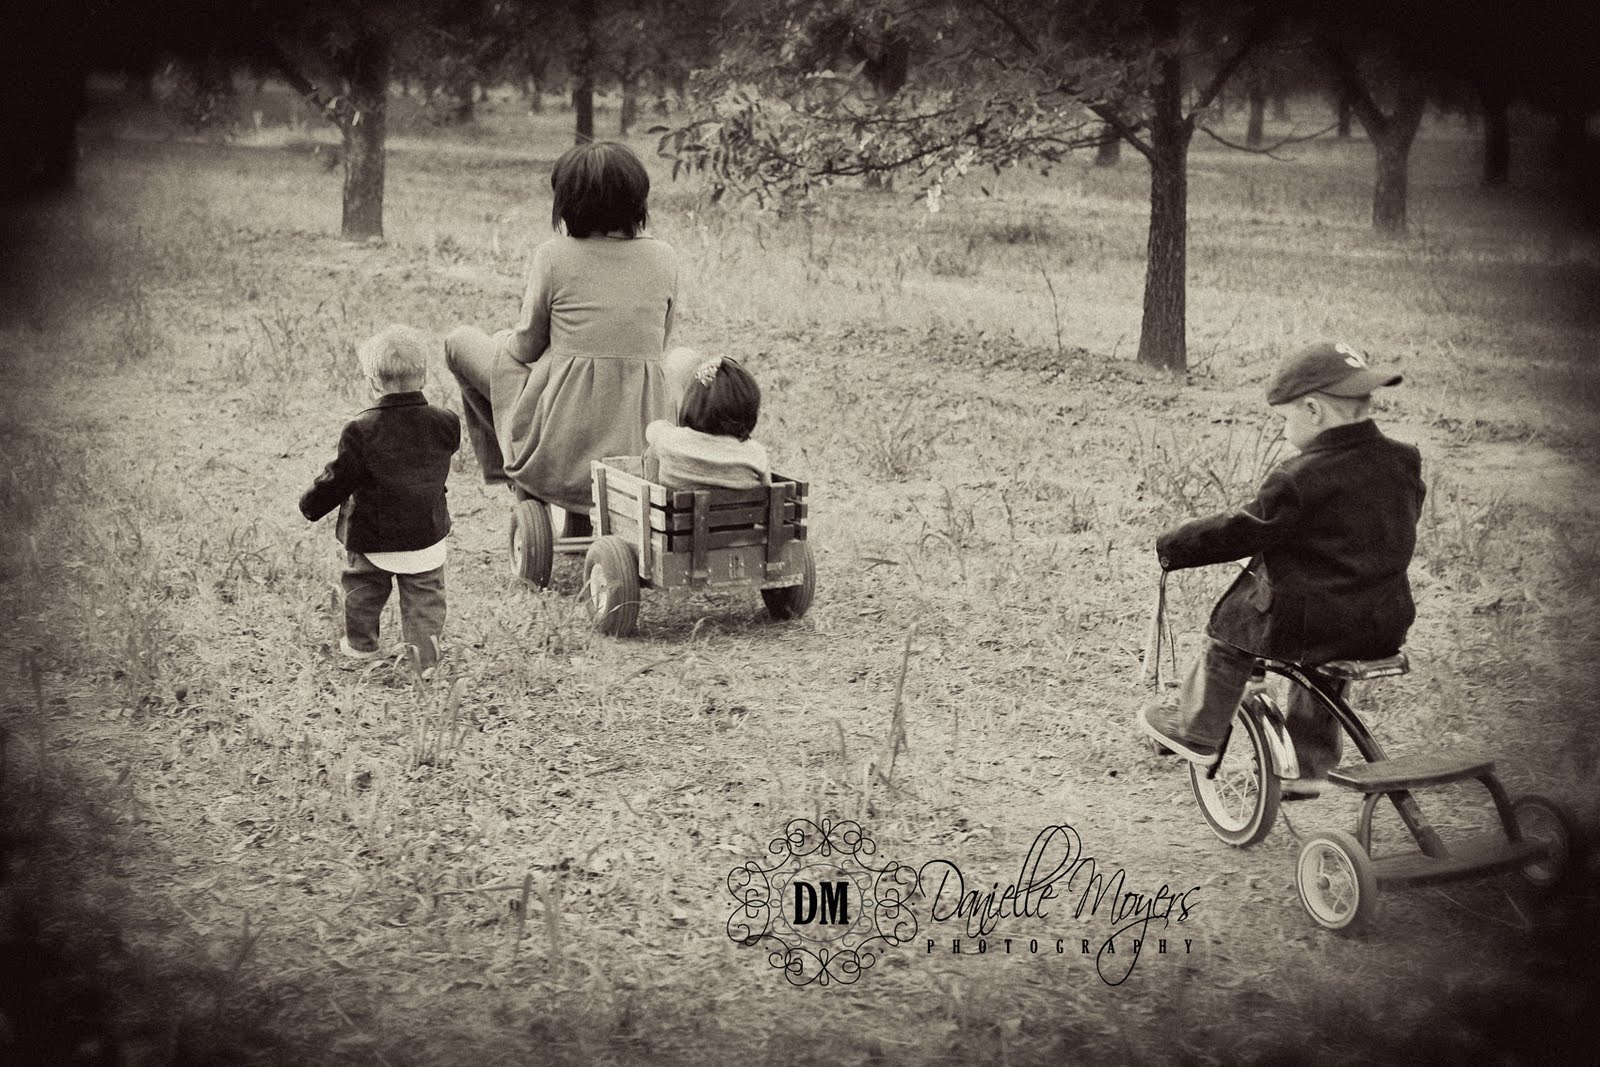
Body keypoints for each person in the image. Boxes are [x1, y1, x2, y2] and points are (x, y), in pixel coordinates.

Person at [1138, 341, 1426, 795]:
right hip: (1384, 623)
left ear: (1313, 410)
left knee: (1233, 622)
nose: (1285, 429)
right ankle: (1310, 765)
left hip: (1314, 626)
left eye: (1285, 418)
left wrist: (1175, 546)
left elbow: (1244, 530)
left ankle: (1197, 730)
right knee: (1324, 654)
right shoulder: (1404, 460)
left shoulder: (1299, 477)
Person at [444, 140, 679, 533]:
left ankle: (520, 478)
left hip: (560, 434)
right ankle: (568, 512)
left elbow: (525, 347)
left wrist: (504, 340)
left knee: (460, 342)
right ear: (638, 200)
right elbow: (658, 345)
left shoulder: (554, 257)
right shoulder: (665, 257)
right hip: (637, 439)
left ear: (569, 203)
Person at [300, 326, 460, 673]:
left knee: (363, 589)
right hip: (425, 535)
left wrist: (311, 505)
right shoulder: (446, 422)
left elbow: (339, 478)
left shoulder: (361, 430)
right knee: (426, 598)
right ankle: (425, 662)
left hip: (374, 536)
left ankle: (361, 646)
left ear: (373, 382)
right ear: (425, 376)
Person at [643, 353, 770, 490]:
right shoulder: (755, 454)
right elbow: (767, 488)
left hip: (675, 503)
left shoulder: (671, 441)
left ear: (691, 402)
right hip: (744, 505)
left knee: (652, 451)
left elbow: (653, 429)